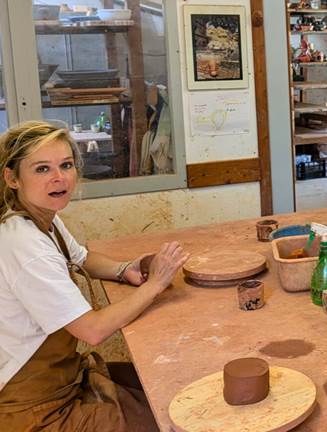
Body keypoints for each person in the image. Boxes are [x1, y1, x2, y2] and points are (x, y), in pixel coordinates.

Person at [0, 121, 189, 430]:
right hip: (35, 409)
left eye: (66, 165)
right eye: (42, 169)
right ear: (12, 178)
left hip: (66, 378)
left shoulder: (39, 218)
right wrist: (155, 284)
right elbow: (92, 330)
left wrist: (123, 268)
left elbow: (82, 257)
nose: (59, 178)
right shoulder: (24, 245)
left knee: (164, 384)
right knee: (170, 418)